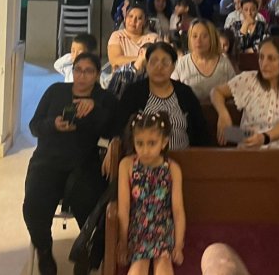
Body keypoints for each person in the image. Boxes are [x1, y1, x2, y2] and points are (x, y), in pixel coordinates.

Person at [23, 53, 117, 275]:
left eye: (88, 71)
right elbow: (35, 126)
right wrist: (53, 124)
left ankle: (86, 253)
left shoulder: (104, 98)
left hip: (84, 161)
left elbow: (113, 130)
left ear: (97, 75)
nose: (82, 76)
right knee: (34, 204)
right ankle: (44, 251)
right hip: (48, 159)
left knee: (90, 201)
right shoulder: (56, 91)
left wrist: (94, 109)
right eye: (78, 70)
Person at [104, 42, 209, 176]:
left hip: (183, 165)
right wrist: (112, 146)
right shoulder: (134, 92)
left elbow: (201, 131)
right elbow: (119, 126)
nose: (159, 67)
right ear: (147, 65)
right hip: (142, 165)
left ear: (173, 66)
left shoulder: (185, 93)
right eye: (153, 62)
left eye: (165, 62)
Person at [117, 111, 186, 275]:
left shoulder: (172, 169)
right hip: (138, 228)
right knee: (138, 267)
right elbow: (124, 207)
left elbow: (178, 210)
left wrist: (178, 244)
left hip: (163, 228)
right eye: (140, 143)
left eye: (152, 143)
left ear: (164, 142)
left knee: (164, 266)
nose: (145, 150)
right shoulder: (127, 165)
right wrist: (123, 241)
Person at [211, 36, 279, 149]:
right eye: (261, 57)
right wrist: (223, 114)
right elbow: (216, 91)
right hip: (250, 148)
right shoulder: (248, 79)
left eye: (271, 58)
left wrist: (264, 138)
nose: (264, 64)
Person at [172, 19, 236, 101]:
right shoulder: (182, 63)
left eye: (204, 36)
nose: (198, 41)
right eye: (194, 36)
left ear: (212, 38)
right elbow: (170, 91)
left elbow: (235, 89)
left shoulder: (224, 63)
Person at [107, 5, 160, 97]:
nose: (133, 21)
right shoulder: (117, 36)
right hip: (122, 83)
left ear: (144, 21)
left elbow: (159, 61)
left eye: (139, 18)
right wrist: (142, 58)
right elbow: (115, 60)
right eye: (130, 16)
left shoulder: (153, 38)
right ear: (125, 18)